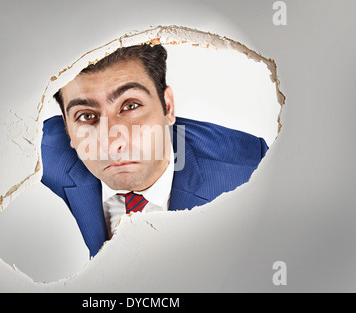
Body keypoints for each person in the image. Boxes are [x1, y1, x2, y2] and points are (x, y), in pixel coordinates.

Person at [41, 44, 268, 257]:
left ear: (167, 106)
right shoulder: (35, 154)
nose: (112, 144)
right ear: (67, 128)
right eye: (86, 116)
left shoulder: (251, 171)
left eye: (130, 106)